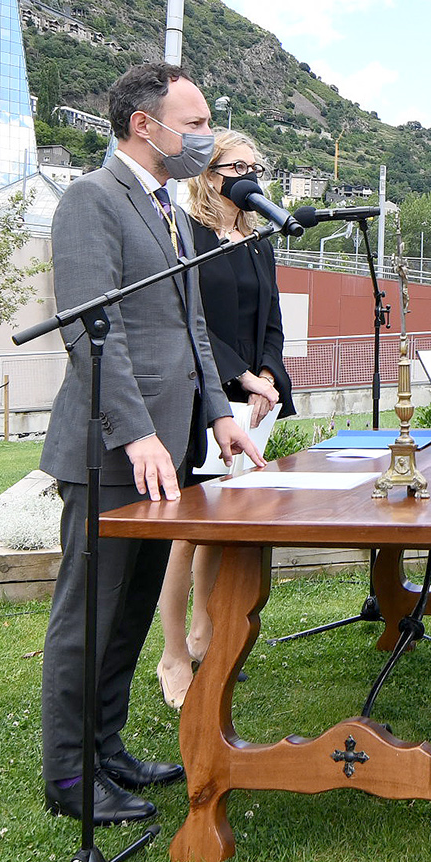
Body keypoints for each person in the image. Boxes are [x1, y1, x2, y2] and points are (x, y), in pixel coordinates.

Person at [38, 62, 265, 826]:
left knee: (132, 611)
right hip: (109, 450)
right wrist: (136, 430)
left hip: (165, 449)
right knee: (88, 615)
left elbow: (190, 329)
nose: (204, 134)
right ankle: (70, 776)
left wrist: (219, 412)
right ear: (146, 124)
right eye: (194, 121)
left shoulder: (167, 208)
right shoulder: (90, 200)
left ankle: (107, 749)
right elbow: (87, 328)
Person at [155, 133, 296, 708]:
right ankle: (171, 654)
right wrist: (241, 377)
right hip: (203, 397)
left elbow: (273, 319)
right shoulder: (189, 233)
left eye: (256, 168)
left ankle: (204, 634)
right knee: (188, 531)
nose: (250, 176)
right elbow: (190, 322)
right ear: (210, 174)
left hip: (254, 402)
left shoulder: (259, 240)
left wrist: (266, 373)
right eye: (238, 166)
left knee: (224, 522)